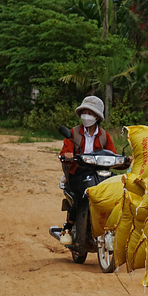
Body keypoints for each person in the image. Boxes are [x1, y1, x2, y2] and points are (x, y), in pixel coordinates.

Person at [57, 96, 115, 246]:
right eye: (84, 112)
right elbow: (65, 152)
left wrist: (125, 160)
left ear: (97, 117)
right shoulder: (73, 133)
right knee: (83, 194)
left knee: (117, 189)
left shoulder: (104, 136)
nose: (86, 116)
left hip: (99, 173)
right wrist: (68, 155)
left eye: (90, 113)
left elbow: (113, 155)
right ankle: (68, 227)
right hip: (79, 172)